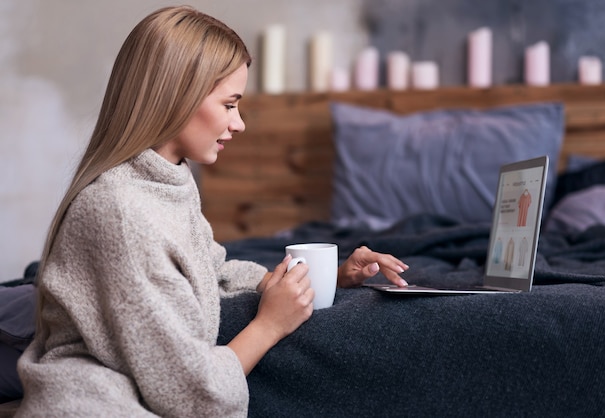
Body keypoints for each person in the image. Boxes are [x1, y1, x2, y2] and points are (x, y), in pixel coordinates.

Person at [15, 6, 409, 417]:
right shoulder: (118, 212)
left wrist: (321, 280)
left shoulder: (164, 181)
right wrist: (270, 325)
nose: (239, 125)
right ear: (175, 97)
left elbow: (210, 268)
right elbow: (192, 394)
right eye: (229, 104)